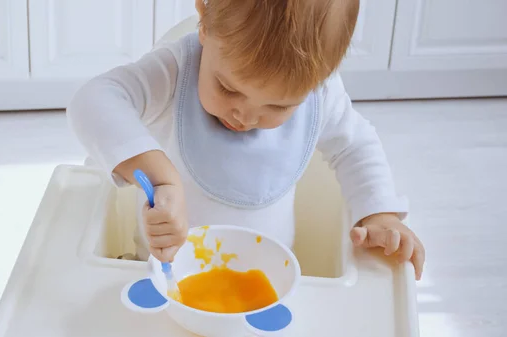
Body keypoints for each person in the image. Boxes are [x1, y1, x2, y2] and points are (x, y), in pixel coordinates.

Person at [67, 0, 425, 280]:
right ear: (204, 22)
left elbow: (355, 145)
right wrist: (159, 174)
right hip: (162, 279)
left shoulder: (320, 94)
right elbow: (94, 98)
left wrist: (380, 214)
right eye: (228, 88)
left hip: (267, 288)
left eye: (279, 105)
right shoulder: (175, 72)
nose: (246, 116)